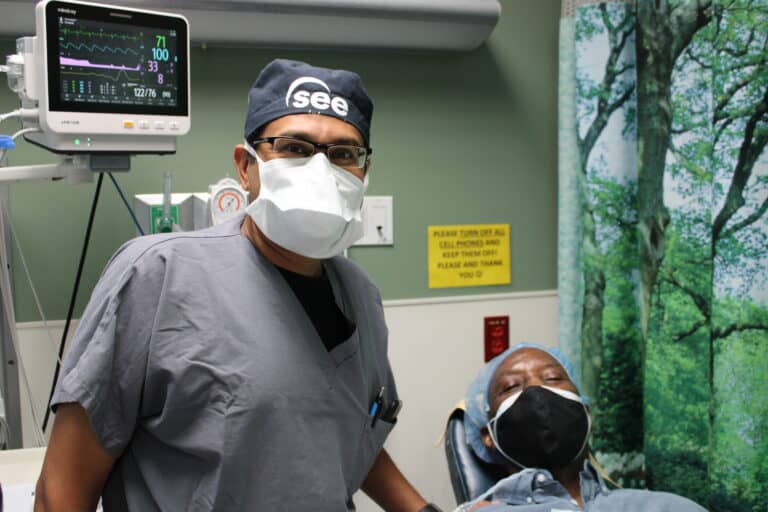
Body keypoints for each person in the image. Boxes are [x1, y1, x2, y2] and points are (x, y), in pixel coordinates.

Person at [34, 59, 441, 512]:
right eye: (294, 148)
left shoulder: (360, 295)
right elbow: (61, 490)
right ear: (246, 166)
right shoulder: (158, 275)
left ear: (363, 173)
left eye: (344, 154)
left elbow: (345, 436)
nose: (322, 169)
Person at [458, 343, 706, 511]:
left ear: (585, 412)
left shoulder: (666, 507)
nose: (536, 390)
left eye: (553, 378)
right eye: (511, 386)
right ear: (487, 435)